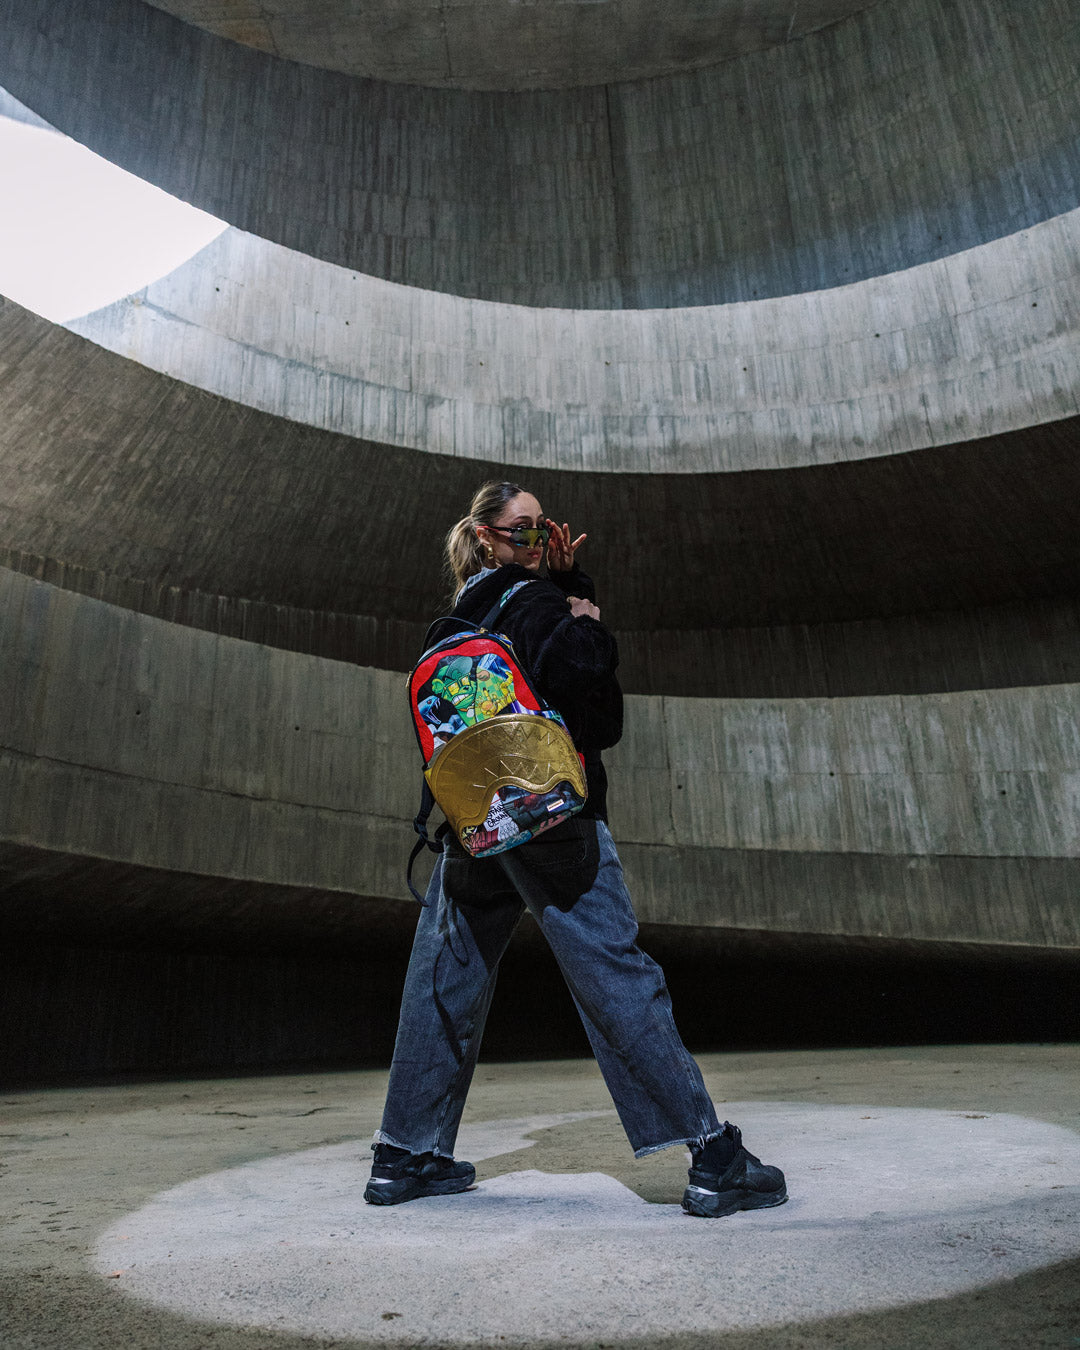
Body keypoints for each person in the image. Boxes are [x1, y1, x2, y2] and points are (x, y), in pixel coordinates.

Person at [365, 480, 787, 1219]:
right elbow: (598, 714)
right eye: (522, 530)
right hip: (554, 820)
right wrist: (583, 612)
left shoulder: (452, 621)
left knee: (444, 977)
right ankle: (714, 1157)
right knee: (615, 972)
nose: (537, 542)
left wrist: (563, 586)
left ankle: (404, 1155)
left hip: (476, 824)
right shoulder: (538, 604)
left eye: (543, 529)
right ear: (487, 537)